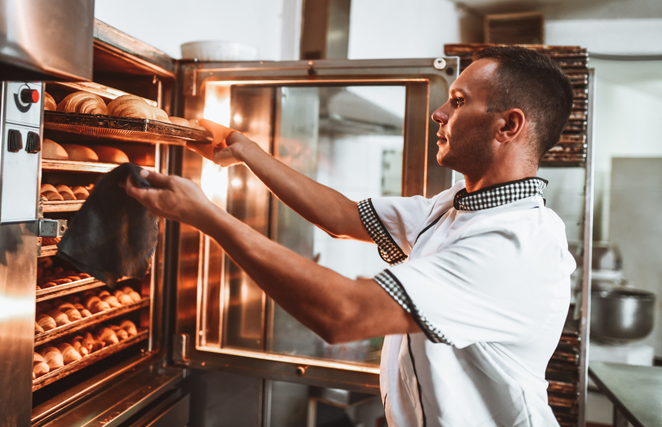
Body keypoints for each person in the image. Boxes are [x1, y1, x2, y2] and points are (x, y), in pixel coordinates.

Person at [124, 46, 576, 426]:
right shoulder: (453, 206)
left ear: (508, 126)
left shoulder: (517, 246)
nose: (439, 113)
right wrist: (244, 151)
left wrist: (206, 215)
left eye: (458, 101)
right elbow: (342, 216)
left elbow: (344, 314)